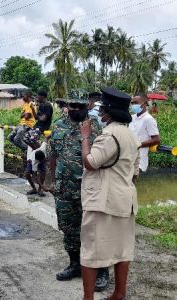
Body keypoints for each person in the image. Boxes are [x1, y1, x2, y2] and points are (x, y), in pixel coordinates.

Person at [79, 87, 141, 300]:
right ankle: (119, 293)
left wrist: (85, 138)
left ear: (108, 113)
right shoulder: (131, 137)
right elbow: (135, 172)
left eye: (102, 109)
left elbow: (90, 163)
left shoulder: (109, 135)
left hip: (103, 202)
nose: (100, 113)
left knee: (90, 251)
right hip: (125, 200)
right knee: (122, 249)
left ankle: (88, 298)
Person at [49, 97, 109, 288]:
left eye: (80, 106)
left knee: (94, 231)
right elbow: (53, 155)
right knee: (68, 230)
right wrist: (50, 180)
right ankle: (75, 265)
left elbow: (102, 160)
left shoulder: (96, 129)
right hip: (64, 188)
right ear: (67, 106)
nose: (75, 109)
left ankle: (101, 271)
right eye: (72, 105)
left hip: (89, 190)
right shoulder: (58, 126)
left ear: (87, 106)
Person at [128, 93, 160, 172]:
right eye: (132, 103)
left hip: (139, 162)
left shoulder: (148, 119)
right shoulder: (132, 117)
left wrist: (138, 144)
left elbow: (156, 140)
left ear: (145, 103)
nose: (133, 105)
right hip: (128, 159)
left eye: (136, 103)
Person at [23, 129, 46, 196]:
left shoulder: (42, 148)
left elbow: (46, 137)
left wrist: (54, 132)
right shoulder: (33, 160)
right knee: (27, 173)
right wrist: (43, 186)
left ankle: (39, 189)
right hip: (31, 159)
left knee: (43, 172)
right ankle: (34, 189)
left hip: (40, 156)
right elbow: (34, 175)